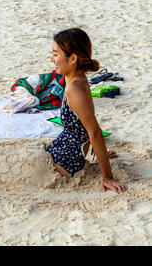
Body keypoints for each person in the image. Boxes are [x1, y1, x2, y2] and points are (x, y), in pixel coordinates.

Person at [45, 28, 127, 194]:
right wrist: (100, 154)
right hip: (63, 152)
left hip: (66, 162)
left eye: (55, 54)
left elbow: (94, 133)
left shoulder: (74, 89)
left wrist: (107, 177)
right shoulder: (79, 79)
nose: (51, 59)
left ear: (73, 58)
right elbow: (82, 126)